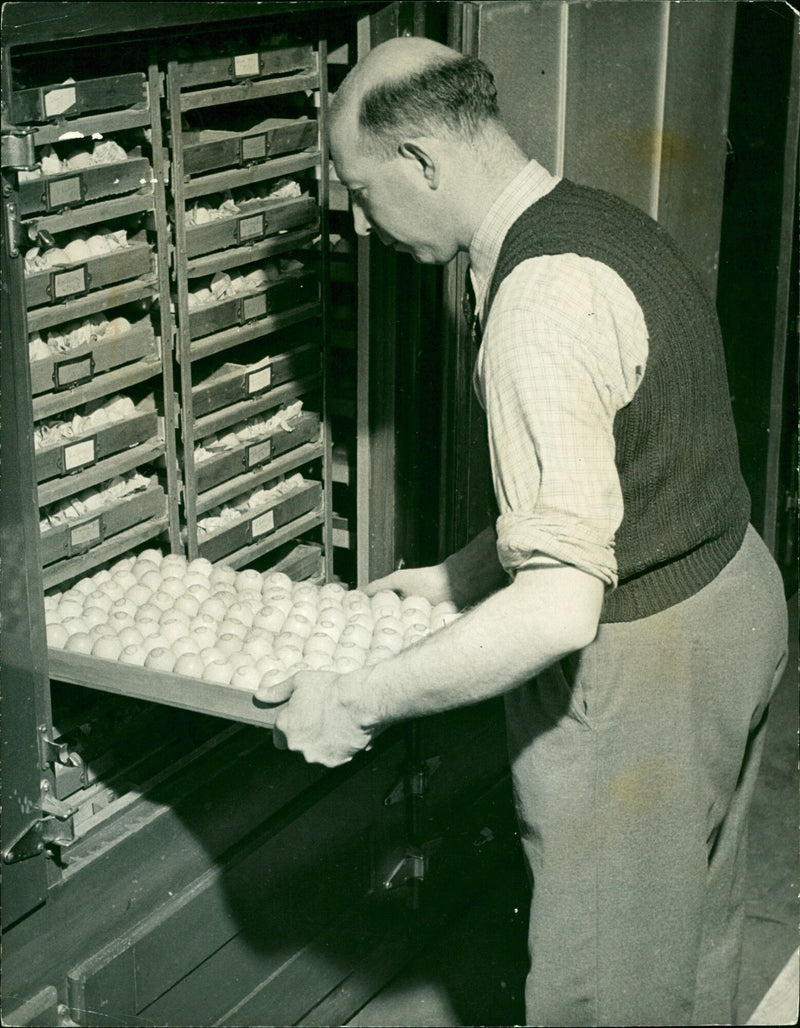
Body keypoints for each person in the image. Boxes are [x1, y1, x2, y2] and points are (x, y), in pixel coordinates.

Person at [255, 36, 789, 1027]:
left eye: (365, 196)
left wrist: (358, 703)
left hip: (646, 664)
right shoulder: (582, 219)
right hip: (730, 595)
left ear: (420, 162)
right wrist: (461, 574)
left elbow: (554, 612)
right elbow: (612, 466)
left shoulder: (536, 300)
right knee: (689, 927)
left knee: (605, 987)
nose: (366, 228)